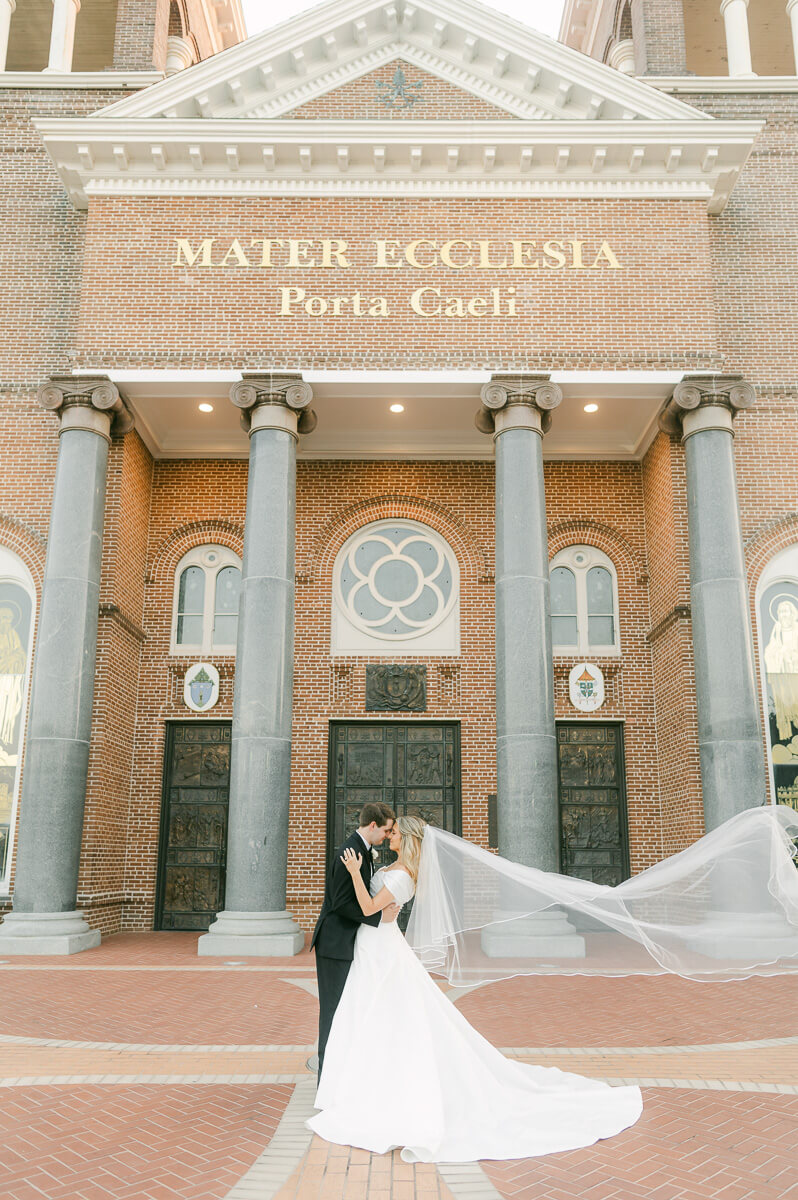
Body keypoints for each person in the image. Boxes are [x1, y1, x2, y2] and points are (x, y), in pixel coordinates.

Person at [307, 815, 643, 1163]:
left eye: (394, 832)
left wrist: (352, 873)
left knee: (387, 1014)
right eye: (388, 830)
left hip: (381, 949)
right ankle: (364, 1084)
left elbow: (367, 907)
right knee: (374, 1014)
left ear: (407, 838)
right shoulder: (397, 868)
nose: (389, 835)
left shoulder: (404, 876)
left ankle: (384, 1088)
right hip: (373, 947)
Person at [310, 801, 399, 1078]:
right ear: (373, 825)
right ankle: (326, 1078)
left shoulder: (363, 849)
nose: (387, 836)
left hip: (346, 943)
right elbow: (339, 904)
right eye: (386, 830)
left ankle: (342, 1073)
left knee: (346, 1009)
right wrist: (377, 917)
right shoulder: (350, 851)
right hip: (334, 944)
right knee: (332, 1012)